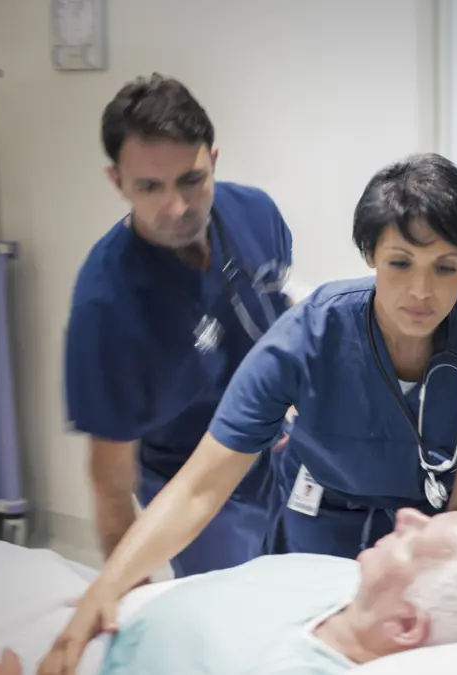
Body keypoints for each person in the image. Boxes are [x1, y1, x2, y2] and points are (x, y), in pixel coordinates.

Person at [39, 153, 457, 674]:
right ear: (370, 253)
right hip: (313, 524)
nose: (421, 291)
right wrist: (107, 586)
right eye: (400, 262)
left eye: (446, 267)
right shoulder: (310, 336)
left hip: (418, 547)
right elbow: (201, 486)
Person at [64, 74, 296, 578]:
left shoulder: (255, 213)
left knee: (313, 588)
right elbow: (110, 484)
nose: (176, 207)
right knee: (231, 610)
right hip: (193, 480)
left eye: (191, 180)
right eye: (150, 187)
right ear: (117, 182)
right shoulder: (106, 305)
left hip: (281, 449)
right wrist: (127, 596)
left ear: (213, 159)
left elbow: (283, 310)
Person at [37, 503, 457, 675]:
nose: (407, 514)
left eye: (418, 538)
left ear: (406, 624)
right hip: (92, 606)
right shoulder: (342, 579)